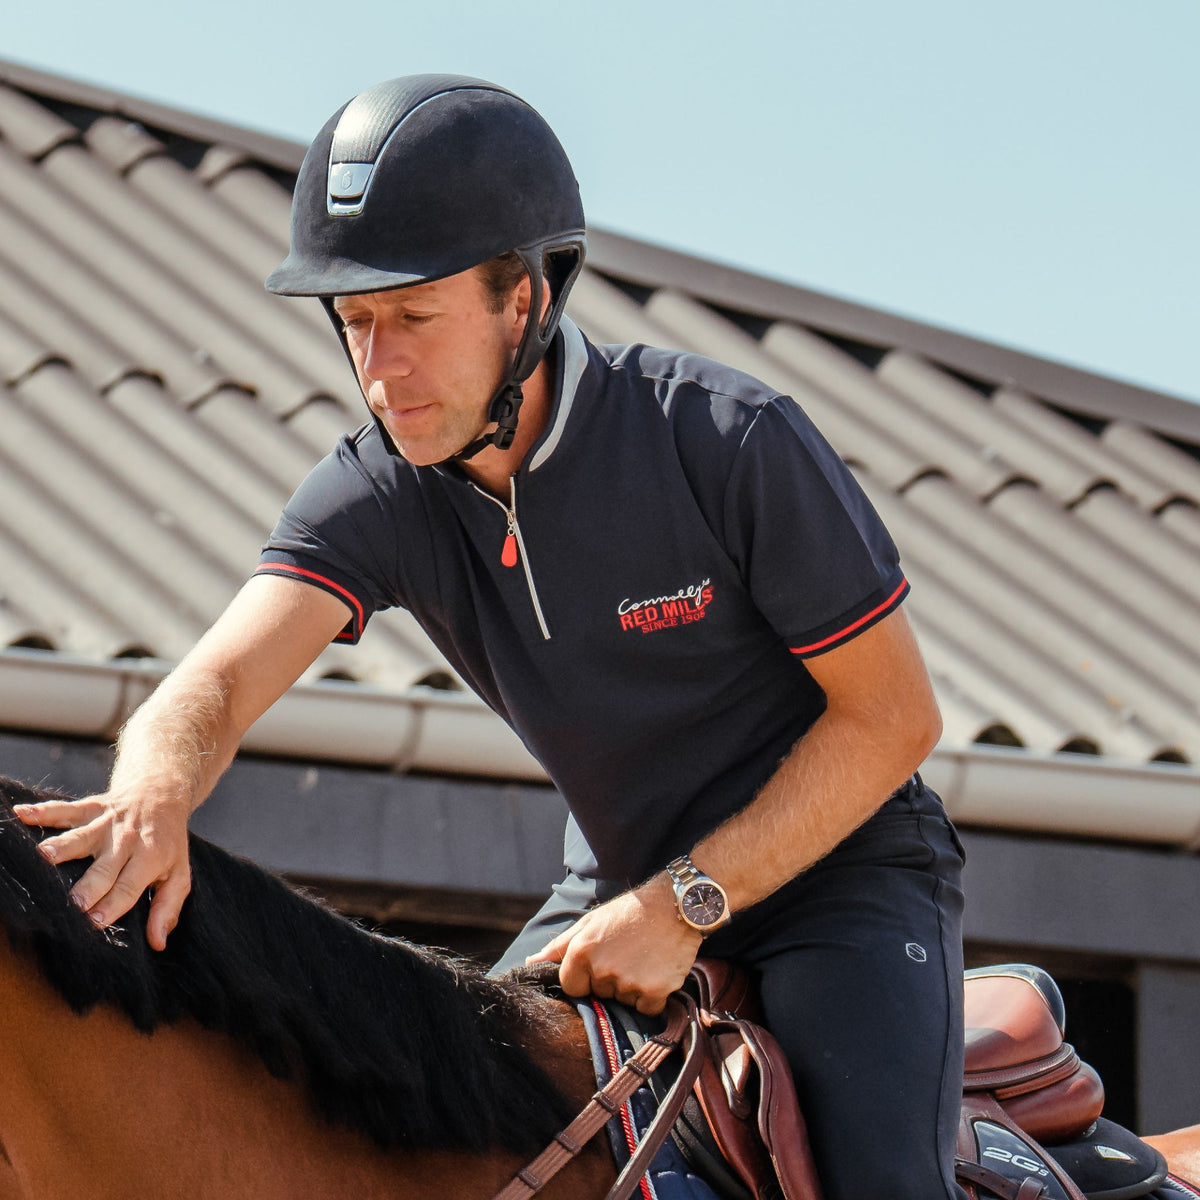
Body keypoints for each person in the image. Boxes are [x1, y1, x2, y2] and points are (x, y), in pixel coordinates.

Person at [15, 74, 966, 1200]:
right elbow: (215, 680)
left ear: (525, 298)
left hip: (843, 884)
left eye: (414, 317)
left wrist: (684, 905)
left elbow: (896, 719)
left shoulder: (727, 440)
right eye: (355, 322)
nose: (379, 369)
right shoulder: (374, 488)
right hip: (609, 880)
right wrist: (152, 797)